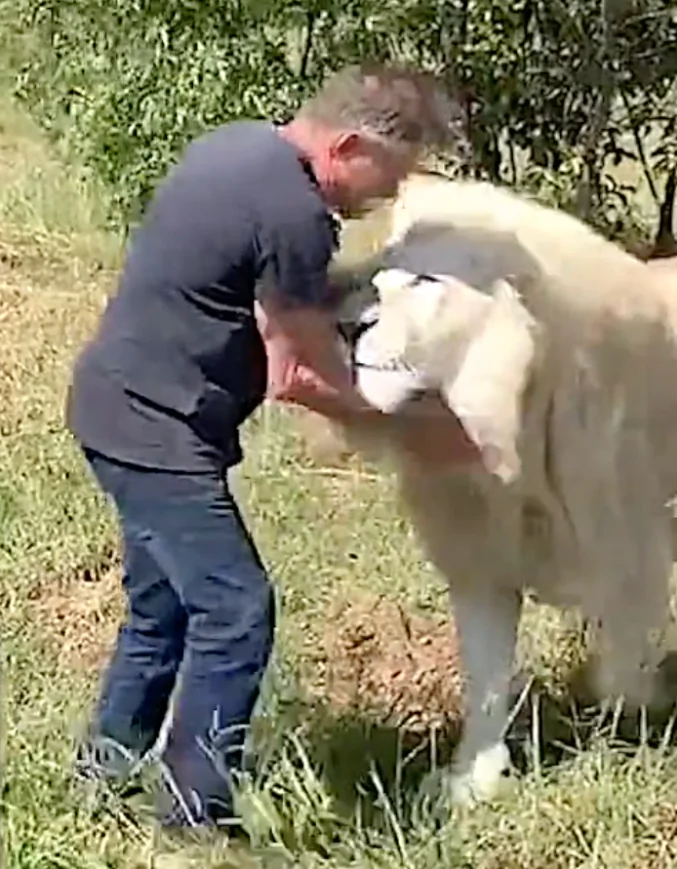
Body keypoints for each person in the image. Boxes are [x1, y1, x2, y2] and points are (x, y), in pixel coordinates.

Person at [64, 62, 480, 832]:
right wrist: (416, 426)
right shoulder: (296, 210)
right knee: (235, 609)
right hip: (156, 429)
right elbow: (296, 375)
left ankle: (102, 781)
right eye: (388, 176)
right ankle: (193, 819)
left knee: (162, 608)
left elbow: (275, 290)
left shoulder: (238, 146)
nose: (385, 196)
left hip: (114, 401)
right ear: (349, 144)